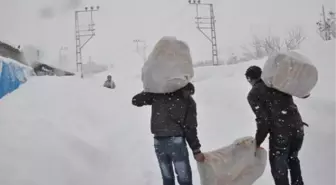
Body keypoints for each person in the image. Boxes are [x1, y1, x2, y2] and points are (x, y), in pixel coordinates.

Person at [132, 82, 205, 185]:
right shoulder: (188, 101)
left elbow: (136, 100)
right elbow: (190, 127)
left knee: (167, 179)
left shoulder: (159, 94)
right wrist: (196, 150)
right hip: (176, 143)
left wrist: (152, 89)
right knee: (184, 180)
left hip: (159, 142)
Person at [245, 65, 307, 185]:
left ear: (250, 79)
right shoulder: (277, 83)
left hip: (281, 133)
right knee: (293, 159)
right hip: (298, 128)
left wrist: (257, 142)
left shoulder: (253, 94)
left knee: (279, 169)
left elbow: (263, 121)